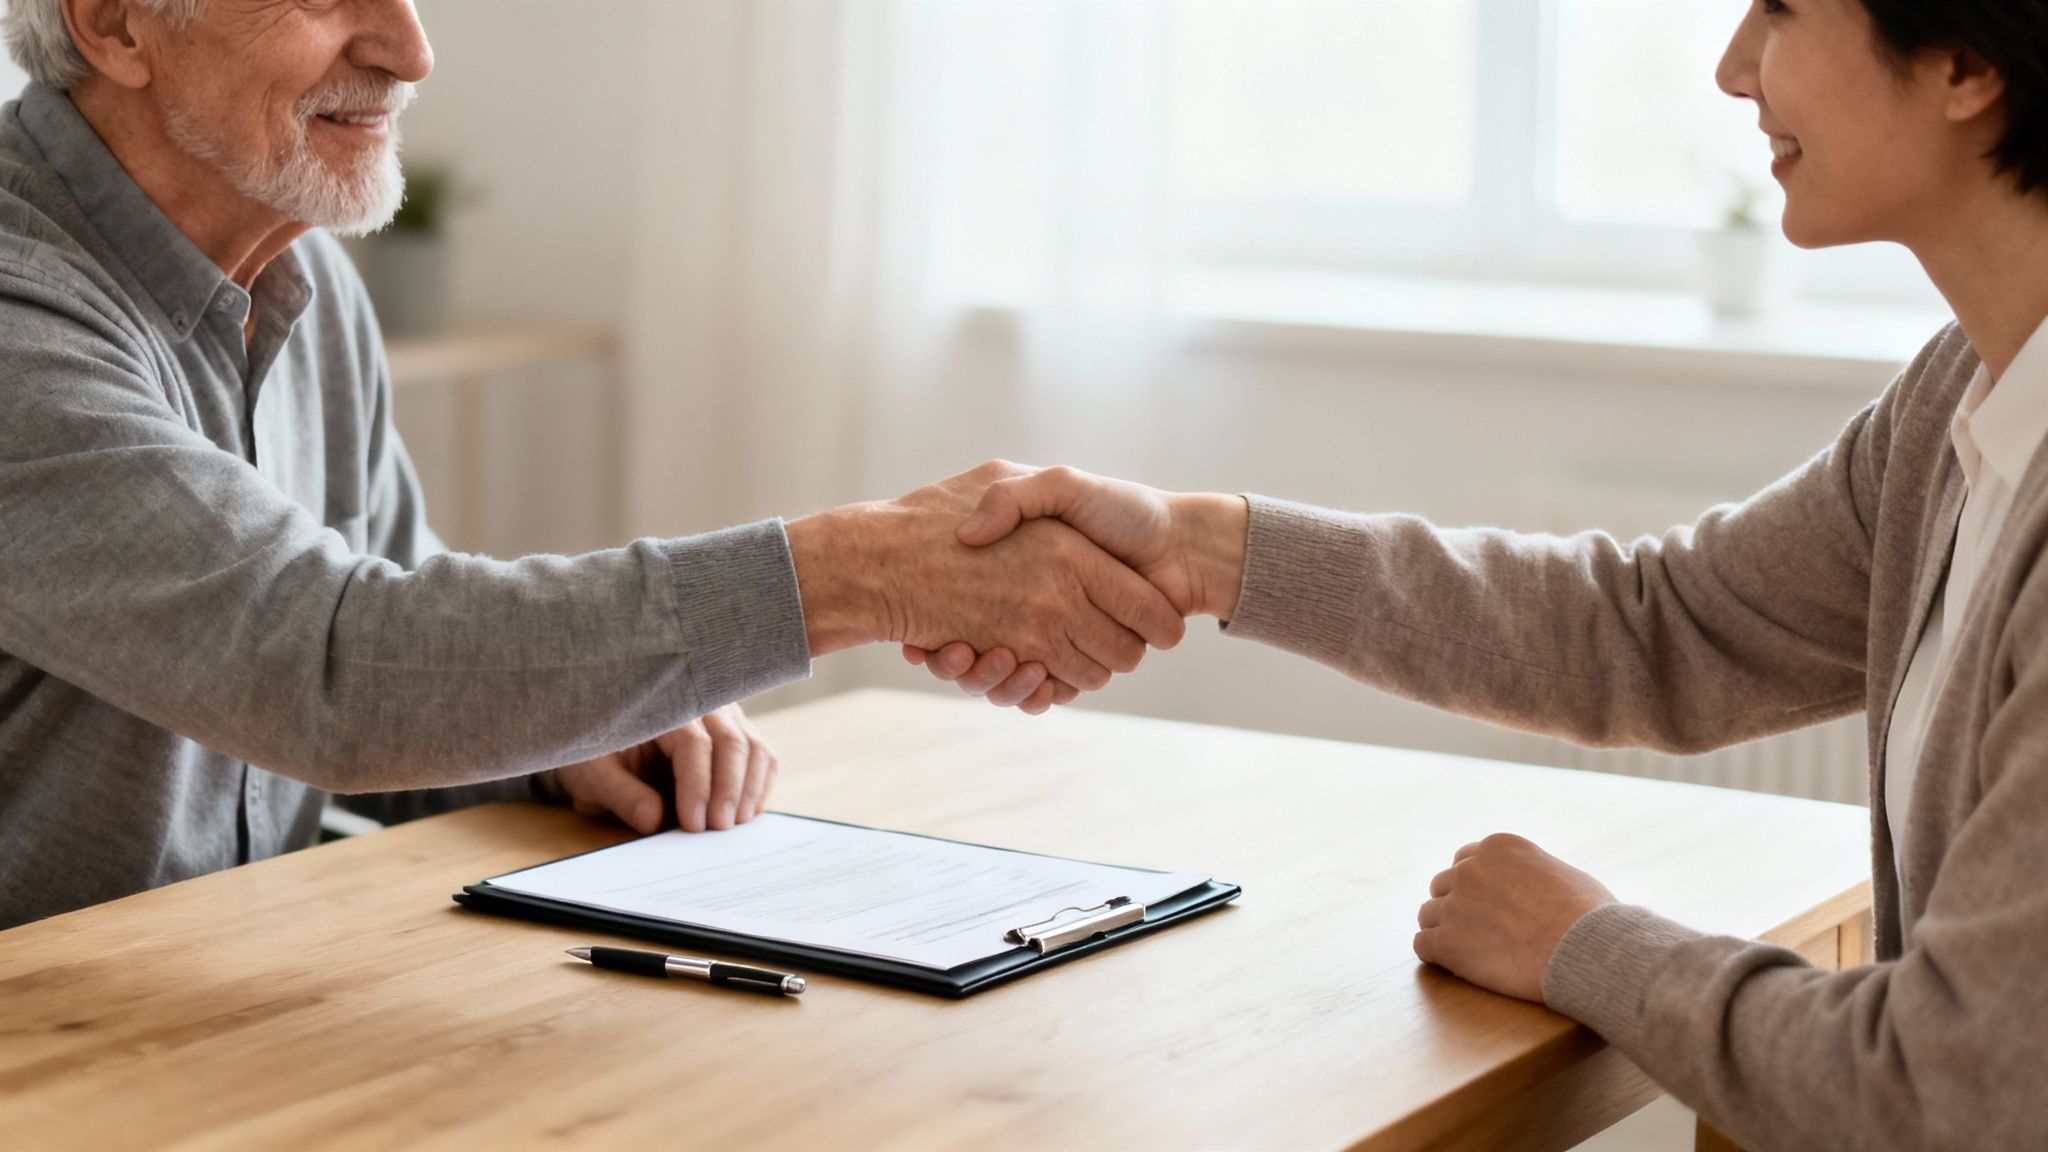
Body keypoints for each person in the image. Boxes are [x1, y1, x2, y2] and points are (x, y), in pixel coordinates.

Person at [911, 0, 2048, 1145]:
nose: (1731, 66)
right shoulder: (1957, 401)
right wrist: (1205, 549)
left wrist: (1583, 945)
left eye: (1781, 8)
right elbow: (1656, 627)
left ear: (1963, 58)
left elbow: (1942, 1089)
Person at [0, 0, 1184, 930]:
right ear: (112, 22)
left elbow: (392, 657)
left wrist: (571, 743)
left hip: (198, 999)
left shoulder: (307, 281)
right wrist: (855, 572)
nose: (411, 50)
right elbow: (328, 668)